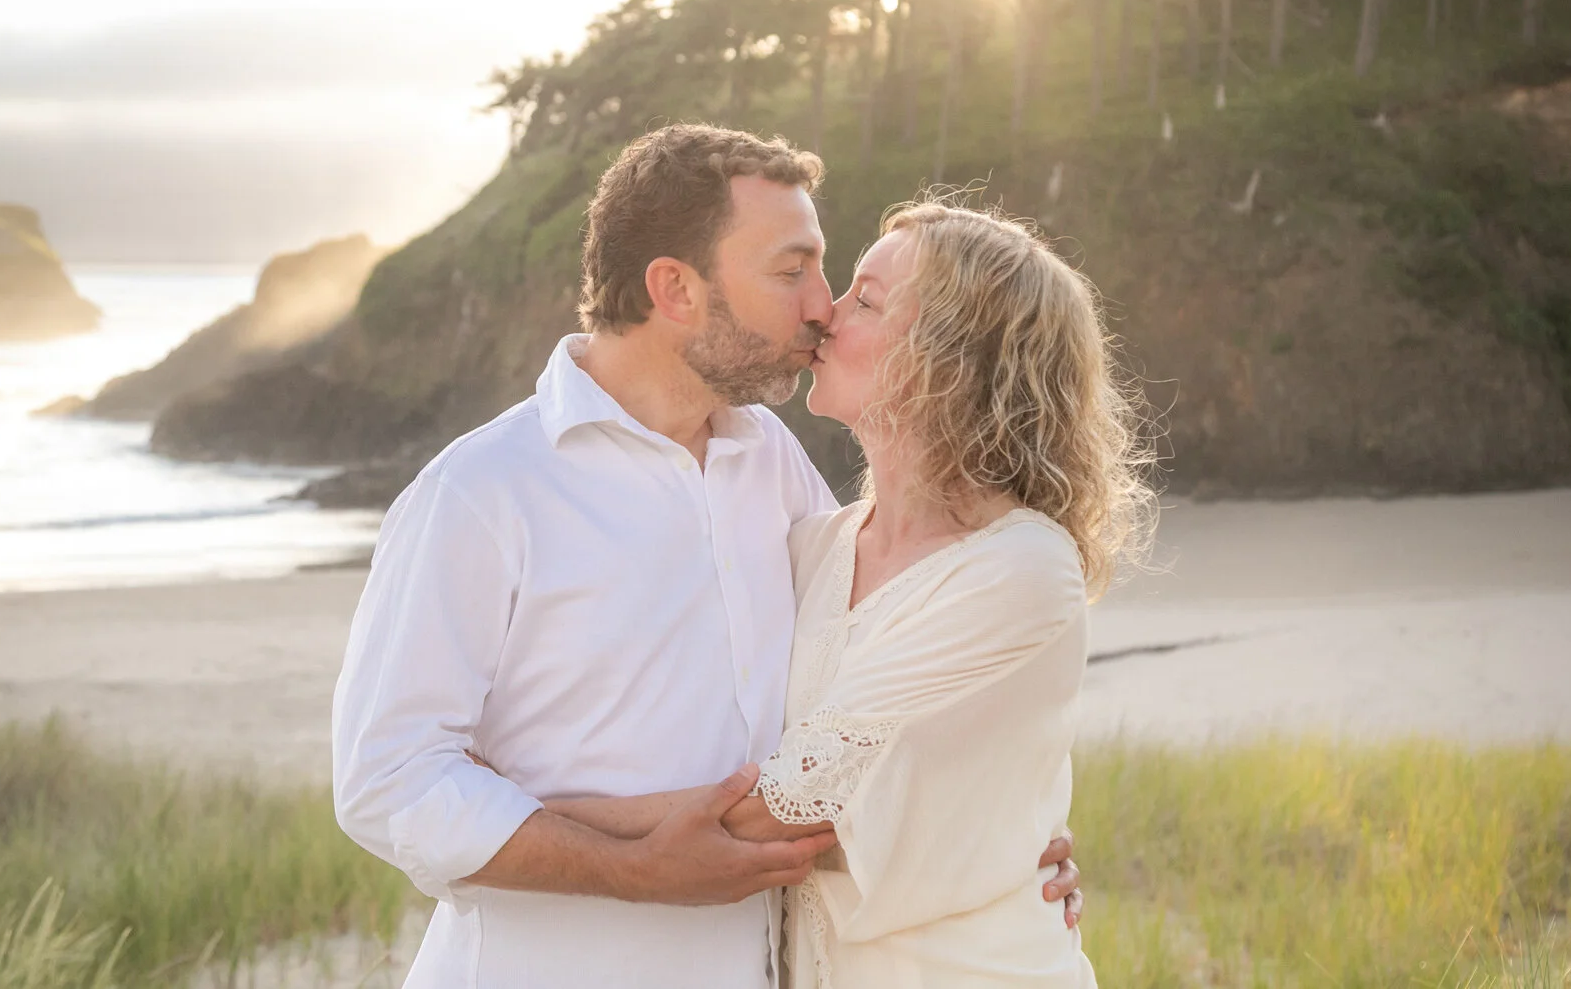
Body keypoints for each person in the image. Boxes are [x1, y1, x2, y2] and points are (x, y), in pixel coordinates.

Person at [331, 125, 1081, 989]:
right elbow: (386, 780)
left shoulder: (772, 466)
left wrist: (1006, 835)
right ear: (676, 288)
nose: (821, 305)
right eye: (790, 269)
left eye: (829, 274)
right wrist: (627, 866)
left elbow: (886, 680)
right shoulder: (482, 490)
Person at [547, 199, 1154, 986]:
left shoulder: (1020, 568)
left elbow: (782, 811)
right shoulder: (813, 546)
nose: (823, 316)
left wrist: (519, 821)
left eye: (864, 299)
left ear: (948, 357)